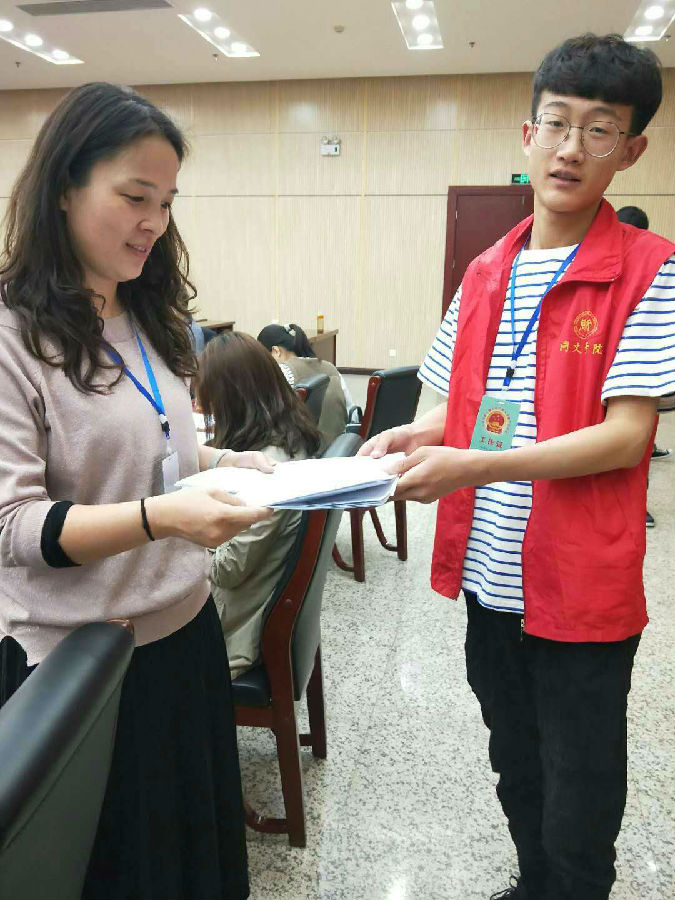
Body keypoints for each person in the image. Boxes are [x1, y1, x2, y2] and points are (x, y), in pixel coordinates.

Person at [361, 34, 675, 900]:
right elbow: (460, 409)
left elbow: (625, 436)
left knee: (581, 787)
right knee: (515, 757)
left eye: (599, 130)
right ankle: (533, 884)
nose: (571, 148)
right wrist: (411, 438)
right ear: (527, 134)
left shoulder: (650, 272)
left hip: (579, 583)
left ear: (630, 151)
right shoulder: (485, 270)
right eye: (557, 124)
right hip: (490, 575)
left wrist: (469, 468)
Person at [0, 82, 275, 900]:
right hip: (80, 663)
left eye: (167, 202)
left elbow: (146, 442)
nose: (154, 222)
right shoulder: (13, 334)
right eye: (134, 197)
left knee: (188, 866)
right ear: (64, 188)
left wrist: (218, 461)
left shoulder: (148, 316)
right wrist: (163, 518)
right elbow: (14, 525)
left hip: (182, 634)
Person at [197, 332, 321, 678]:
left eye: (210, 403)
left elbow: (227, 569)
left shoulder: (268, 468)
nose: (205, 411)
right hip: (247, 602)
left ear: (231, 401)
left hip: (233, 629)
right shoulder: (287, 435)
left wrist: (184, 527)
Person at [615, 205, 672, 528]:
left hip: (630, 371)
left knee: (634, 438)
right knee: (637, 438)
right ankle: (638, 507)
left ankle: (636, 506)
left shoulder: (654, 265)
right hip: (629, 372)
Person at [257, 322, 349, 446]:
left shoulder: (282, 373)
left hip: (302, 449)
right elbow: (351, 411)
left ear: (276, 351)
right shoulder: (331, 368)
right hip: (339, 446)